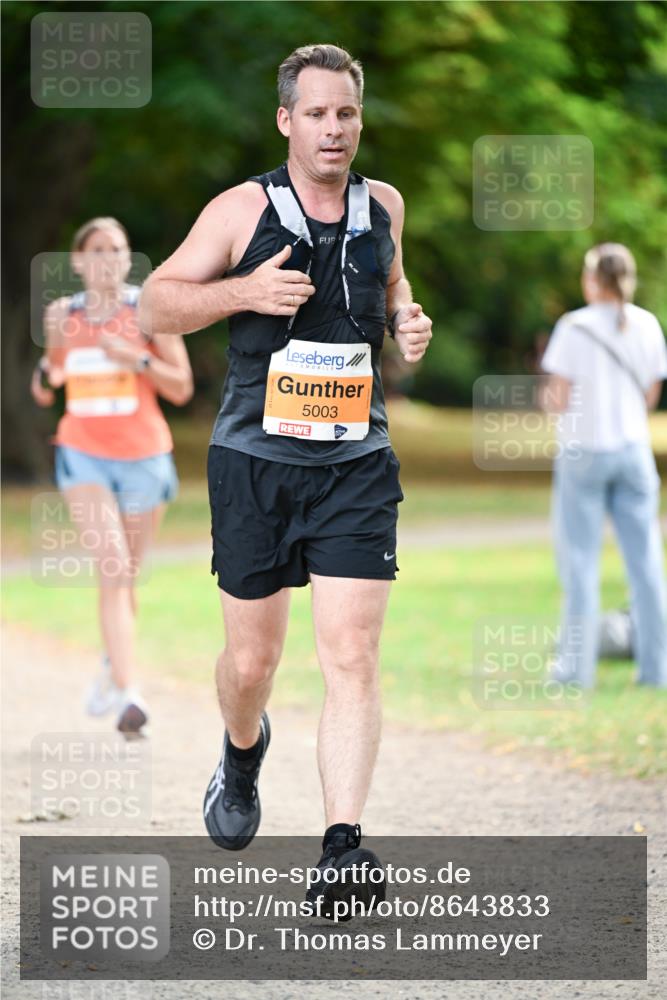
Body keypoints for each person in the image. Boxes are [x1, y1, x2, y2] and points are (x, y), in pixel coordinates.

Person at [140, 44, 432, 914]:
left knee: (351, 654)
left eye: (345, 112)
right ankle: (240, 747)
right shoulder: (241, 208)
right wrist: (240, 294)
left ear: (357, 118)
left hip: (355, 463)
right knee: (251, 660)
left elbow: (394, 294)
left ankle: (342, 847)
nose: (332, 129)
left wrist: (410, 329)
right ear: (285, 120)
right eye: (315, 113)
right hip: (254, 465)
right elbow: (155, 302)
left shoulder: (384, 205)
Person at [31, 216, 193, 735]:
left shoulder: (150, 311)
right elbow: (51, 377)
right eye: (97, 250)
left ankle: (111, 665)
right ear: (78, 261)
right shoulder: (61, 315)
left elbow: (183, 388)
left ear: (128, 258)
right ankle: (129, 693)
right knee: (113, 564)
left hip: (144, 456)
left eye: (117, 249)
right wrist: (45, 374)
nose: (108, 259)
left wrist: (138, 360)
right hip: (83, 454)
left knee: (126, 577)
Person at [541, 242, 667, 689]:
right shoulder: (648, 324)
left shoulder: (573, 326)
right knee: (647, 564)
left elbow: (557, 398)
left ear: (593, 279)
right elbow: (651, 396)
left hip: (584, 453)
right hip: (633, 452)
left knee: (580, 561)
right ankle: (656, 670)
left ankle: (575, 672)